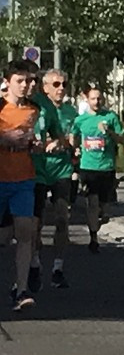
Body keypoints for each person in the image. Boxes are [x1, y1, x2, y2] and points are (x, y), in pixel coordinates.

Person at [0, 60, 47, 310]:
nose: (26, 85)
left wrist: (36, 145)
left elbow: (37, 138)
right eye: (20, 81)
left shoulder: (34, 110)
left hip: (24, 179)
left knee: (25, 232)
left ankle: (21, 289)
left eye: (29, 81)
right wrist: (4, 138)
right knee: (5, 237)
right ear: (7, 82)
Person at [30, 68, 77, 290]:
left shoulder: (71, 112)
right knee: (35, 223)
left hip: (62, 169)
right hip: (39, 168)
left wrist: (63, 144)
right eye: (56, 85)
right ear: (45, 86)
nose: (61, 89)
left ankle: (58, 268)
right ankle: (35, 262)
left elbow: (71, 140)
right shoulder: (38, 105)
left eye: (64, 85)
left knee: (61, 218)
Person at [71, 87, 124, 254]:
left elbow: (122, 139)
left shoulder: (110, 117)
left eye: (99, 99)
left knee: (105, 208)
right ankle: (93, 237)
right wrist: (75, 149)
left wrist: (109, 132)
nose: (97, 102)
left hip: (106, 167)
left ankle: (101, 216)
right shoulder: (81, 120)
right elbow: (73, 136)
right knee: (92, 203)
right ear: (87, 100)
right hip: (88, 167)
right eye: (93, 99)